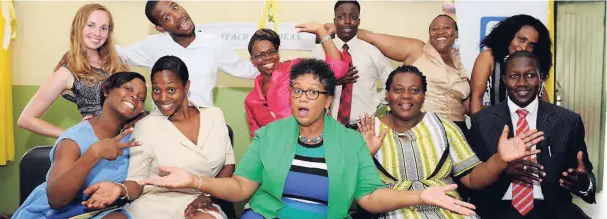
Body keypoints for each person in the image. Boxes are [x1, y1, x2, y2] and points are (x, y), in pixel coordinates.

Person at [137, 59, 478, 219]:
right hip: (269, 215)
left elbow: (369, 198)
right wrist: (198, 181)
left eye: (312, 92)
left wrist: (421, 195)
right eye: (297, 90)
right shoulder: (270, 134)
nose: (302, 98)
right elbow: (242, 187)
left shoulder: (350, 142)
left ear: (328, 99)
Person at [356, 65, 545, 219]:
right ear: (387, 94)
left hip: (449, 211)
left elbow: (472, 179)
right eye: (398, 90)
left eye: (415, 90)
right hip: (393, 211)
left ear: (424, 96)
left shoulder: (443, 127)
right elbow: (352, 189)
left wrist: (500, 160)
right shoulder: (367, 130)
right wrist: (366, 154)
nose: (406, 96)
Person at [79, 56, 234, 219]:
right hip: (154, 204)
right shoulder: (146, 126)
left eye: (171, 90)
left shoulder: (214, 115)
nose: (163, 98)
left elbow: (228, 166)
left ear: (186, 86)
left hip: (200, 203)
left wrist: (208, 196)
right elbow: (137, 181)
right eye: (156, 90)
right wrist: (119, 189)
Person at [469, 51, 595, 219]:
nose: (522, 83)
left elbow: (587, 176)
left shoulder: (568, 120)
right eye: (514, 76)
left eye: (529, 75)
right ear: (504, 80)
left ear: (541, 78)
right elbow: (471, 180)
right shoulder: (482, 121)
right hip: (498, 209)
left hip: (553, 209)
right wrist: (501, 170)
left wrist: (583, 183)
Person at [12, 72, 147, 219]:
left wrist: (120, 189)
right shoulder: (73, 140)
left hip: (97, 211)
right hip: (55, 213)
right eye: (128, 89)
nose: (135, 97)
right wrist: (93, 153)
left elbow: (139, 183)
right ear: (107, 90)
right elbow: (56, 200)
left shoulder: (132, 139)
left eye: (141, 98)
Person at [327, 15, 471, 134]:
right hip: (423, 127)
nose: (440, 32)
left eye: (447, 28)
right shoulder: (416, 50)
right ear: (430, 34)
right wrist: (339, 29)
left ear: (456, 34)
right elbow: (372, 37)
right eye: (435, 28)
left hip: (458, 129)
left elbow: (467, 105)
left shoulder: (461, 63)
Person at [116, 0, 258, 108]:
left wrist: (275, 65)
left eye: (175, 7)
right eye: (167, 17)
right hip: (165, 125)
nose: (177, 16)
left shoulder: (213, 44)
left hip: (203, 122)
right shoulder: (153, 45)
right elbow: (117, 54)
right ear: (160, 28)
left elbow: (249, 71)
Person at [18, 3, 129, 138]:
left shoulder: (119, 63)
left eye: (103, 28)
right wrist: (74, 135)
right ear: (78, 27)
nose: (97, 33)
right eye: (91, 25)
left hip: (132, 141)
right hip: (100, 147)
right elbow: (26, 120)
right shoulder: (67, 72)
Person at [245, 24, 348, 137]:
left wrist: (321, 31)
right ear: (252, 61)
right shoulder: (251, 100)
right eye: (260, 55)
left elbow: (337, 69)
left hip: (312, 143)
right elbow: (256, 137)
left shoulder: (295, 68)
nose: (267, 58)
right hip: (278, 152)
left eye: (271, 52)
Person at [311, 0, 393, 129]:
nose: (347, 21)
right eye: (341, 16)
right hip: (328, 125)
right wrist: (333, 82)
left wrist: (377, 102)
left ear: (359, 21)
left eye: (353, 17)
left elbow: (393, 82)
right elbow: (309, 85)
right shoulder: (319, 51)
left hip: (364, 127)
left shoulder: (372, 52)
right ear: (334, 20)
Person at [470, 14, 553, 115]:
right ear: (509, 36)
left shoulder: (534, 64)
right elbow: (476, 98)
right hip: (496, 126)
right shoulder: (489, 58)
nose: (524, 47)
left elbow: (546, 105)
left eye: (531, 45)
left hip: (529, 127)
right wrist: (480, 128)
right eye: (522, 39)